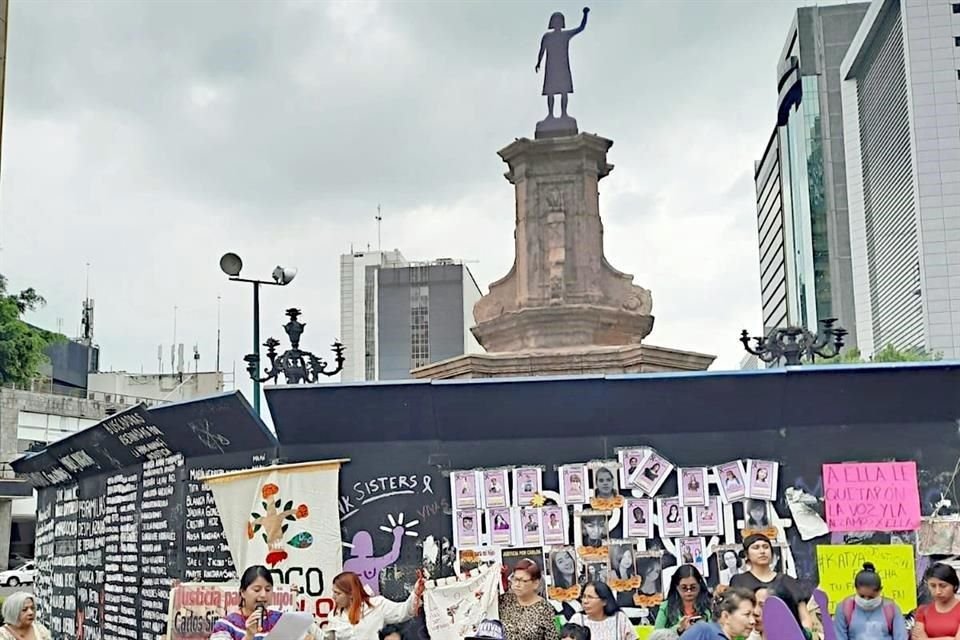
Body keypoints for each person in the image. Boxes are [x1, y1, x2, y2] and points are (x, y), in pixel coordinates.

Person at [729, 534, 814, 634]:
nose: (762, 551)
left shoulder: (788, 581)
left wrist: (805, 634)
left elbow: (804, 616)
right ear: (747, 554)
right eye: (756, 548)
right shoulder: (739, 580)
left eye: (766, 547)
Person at [211, 565, 319, 640]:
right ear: (242, 592)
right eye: (257, 590)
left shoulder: (281, 620)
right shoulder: (225, 625)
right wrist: (249, 636)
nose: (263, 595)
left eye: (268, 590)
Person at [327, 570, 424, 640]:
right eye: (334, 592)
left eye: (338, 593)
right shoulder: (334, 616)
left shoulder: (377, 605)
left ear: (351, 594)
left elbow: (403, 612)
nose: (333, 597)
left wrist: (416, 593)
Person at [535, 7, 589, 120]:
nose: (557, 23)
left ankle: (564, 114)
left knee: (564, 91)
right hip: (551, 67)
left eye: (559, 21)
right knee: (550, 92)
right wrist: (538, 62)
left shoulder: (565, 35)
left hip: (563, 66)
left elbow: (581, 28)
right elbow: (542, 50)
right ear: (552, 23)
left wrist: (585, 14)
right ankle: (550, 115)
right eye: (556, 21)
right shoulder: (547, 37)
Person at [835, 562, 907, 640]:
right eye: (862, 596)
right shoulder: (844, 608)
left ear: (880, 591)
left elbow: (901, 637)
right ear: (856, 589)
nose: (866, 600)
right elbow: (839, 636)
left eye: (871, 597)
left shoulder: (891, 609)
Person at [499, 559, 560, 640]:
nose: (517, 584)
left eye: (523, 581)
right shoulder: (504, 600)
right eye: (515, 579)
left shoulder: (546, 609)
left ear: (535, 583)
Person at [655, 564, 713, 634]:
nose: (689, 592)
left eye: (693, 587)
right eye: (684, 588)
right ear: (676, 587)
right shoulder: (666, 607)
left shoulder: (711, 605)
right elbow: (656, 635)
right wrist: (678, 629)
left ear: (700, 585)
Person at [681, 587, 756, 640]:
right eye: (747, 614)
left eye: (753, 615)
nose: (753, 621)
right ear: (726, 616)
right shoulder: (703, 630)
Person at [572, 581, 638, 640]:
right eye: (583, 597)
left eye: (590, 597)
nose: (585, 601)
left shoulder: (620, 619)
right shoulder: (577, 619)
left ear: (604, 601)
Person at [913, 563, 960, 640]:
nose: (938, 591)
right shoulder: (923, 610)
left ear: (954, 586)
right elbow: (917, 638)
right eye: (933, 586)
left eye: (943, 586)